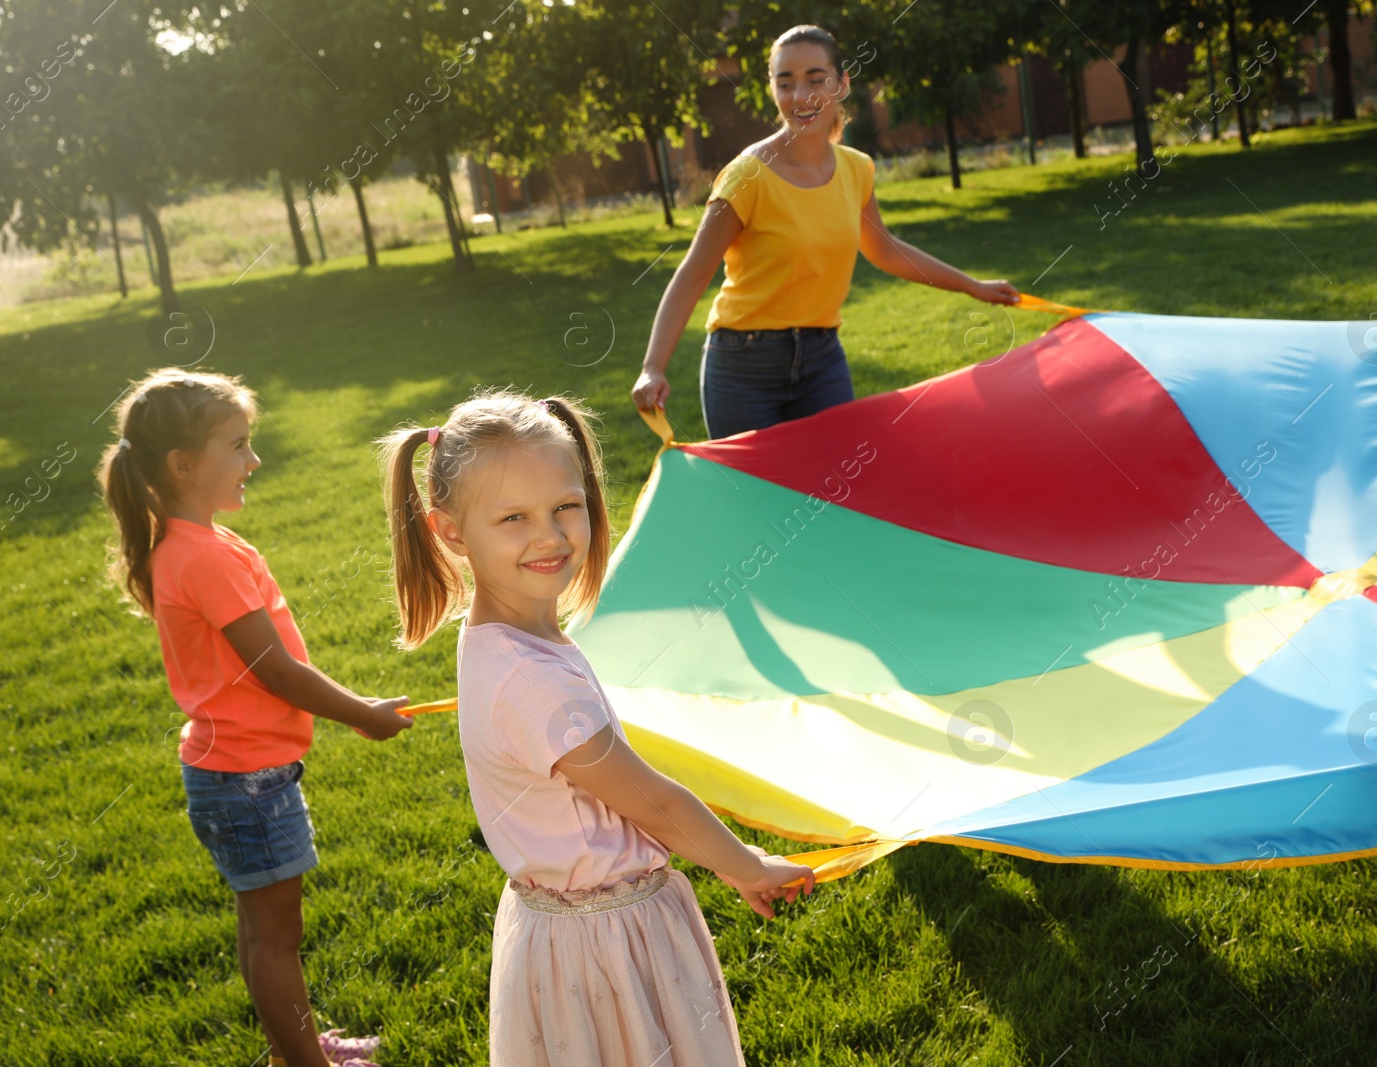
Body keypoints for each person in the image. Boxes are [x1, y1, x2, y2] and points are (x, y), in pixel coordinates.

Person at [380, 389, 816, 1065]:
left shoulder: (507, 638)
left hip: (573, 931)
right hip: (606, 946)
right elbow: (657, 804)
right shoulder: (531, 679)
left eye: (566, 506)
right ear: (452, 531)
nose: (550, 536)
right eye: (514, 518)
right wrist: (748, 866)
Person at [97, 368, 414, 1067]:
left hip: (230, 771)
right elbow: (273, 670)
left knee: (259, 927)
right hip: (247, 779)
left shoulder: (190, 545)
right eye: (238, 446)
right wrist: (362, 712)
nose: (254, 460)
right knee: (276, 936)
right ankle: (303, 1062)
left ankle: (291, 1046)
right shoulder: (203, 556)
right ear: (183, 464)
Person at [632, 23, 1021, 439]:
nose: (801, 97)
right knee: (760, 499)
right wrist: (652, 367)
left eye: (816, 80)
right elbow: (693, 273)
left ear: (842, 83)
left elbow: (885, 249)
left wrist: (972, 286)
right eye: (786, 83)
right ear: (771, 89)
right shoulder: (747, 176)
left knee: (840, 489)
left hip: (822, 358)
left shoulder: (856, 169)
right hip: (743, 364)